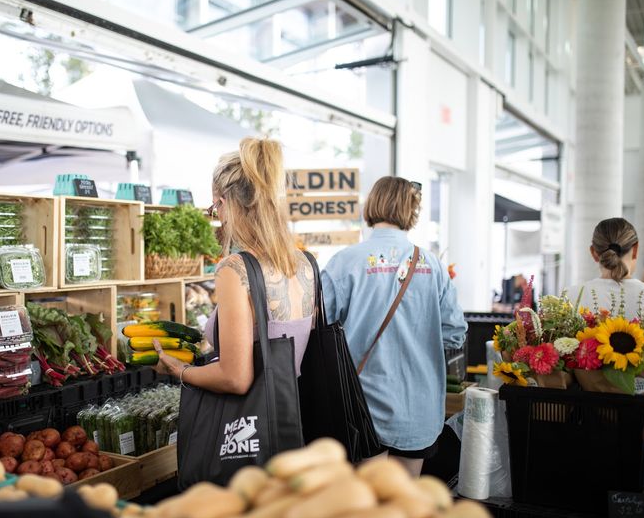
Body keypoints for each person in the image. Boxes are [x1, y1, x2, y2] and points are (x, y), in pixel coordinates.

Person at [321, 176, 467, 477]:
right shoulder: (432, 264)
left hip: (362, 407)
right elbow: (455, 332)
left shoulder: (344, 261)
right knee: (403, 502)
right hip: (418, 406)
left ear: (371, 205)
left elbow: (320, 325)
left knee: (365, 506)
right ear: (411, 210)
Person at [151, 137, 315, 394]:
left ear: (224, 204)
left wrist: (180, 370)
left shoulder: (236, 269)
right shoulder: (306, 262)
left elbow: (235, 379)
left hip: (255, 424)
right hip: (297, 413)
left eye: (215, 209)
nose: (219, 220)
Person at [566, 218, 644, 488]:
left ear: (594, 252)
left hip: (587, 421)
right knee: (640, 507)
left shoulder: (571, 296)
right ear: (635, 250)